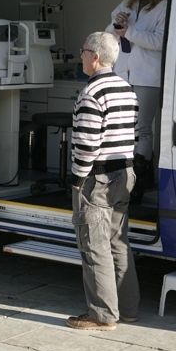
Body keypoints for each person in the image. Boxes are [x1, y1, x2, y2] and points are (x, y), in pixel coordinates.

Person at [66, 31, 140, 331]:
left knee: (94, 245)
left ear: (95, 57)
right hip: (125, 173)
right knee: (118, 243)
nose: (80, 55)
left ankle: (102, 315)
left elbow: (86, 143)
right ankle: (128, 309)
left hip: (98, 177)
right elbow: (133, 134)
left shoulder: (92, 93)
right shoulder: (127, 88)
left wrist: (77, 178)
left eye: (83, 51)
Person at [106, 0, 167, 204]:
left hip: (147, 76)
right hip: (124, 73)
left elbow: (158, 42)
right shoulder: (127, 3)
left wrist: (128, 31)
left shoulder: (163, 6)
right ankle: (121, 179)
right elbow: (108, 35)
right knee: (122, 128)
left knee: (142, 129)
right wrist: (115, 25)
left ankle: (139, 181)